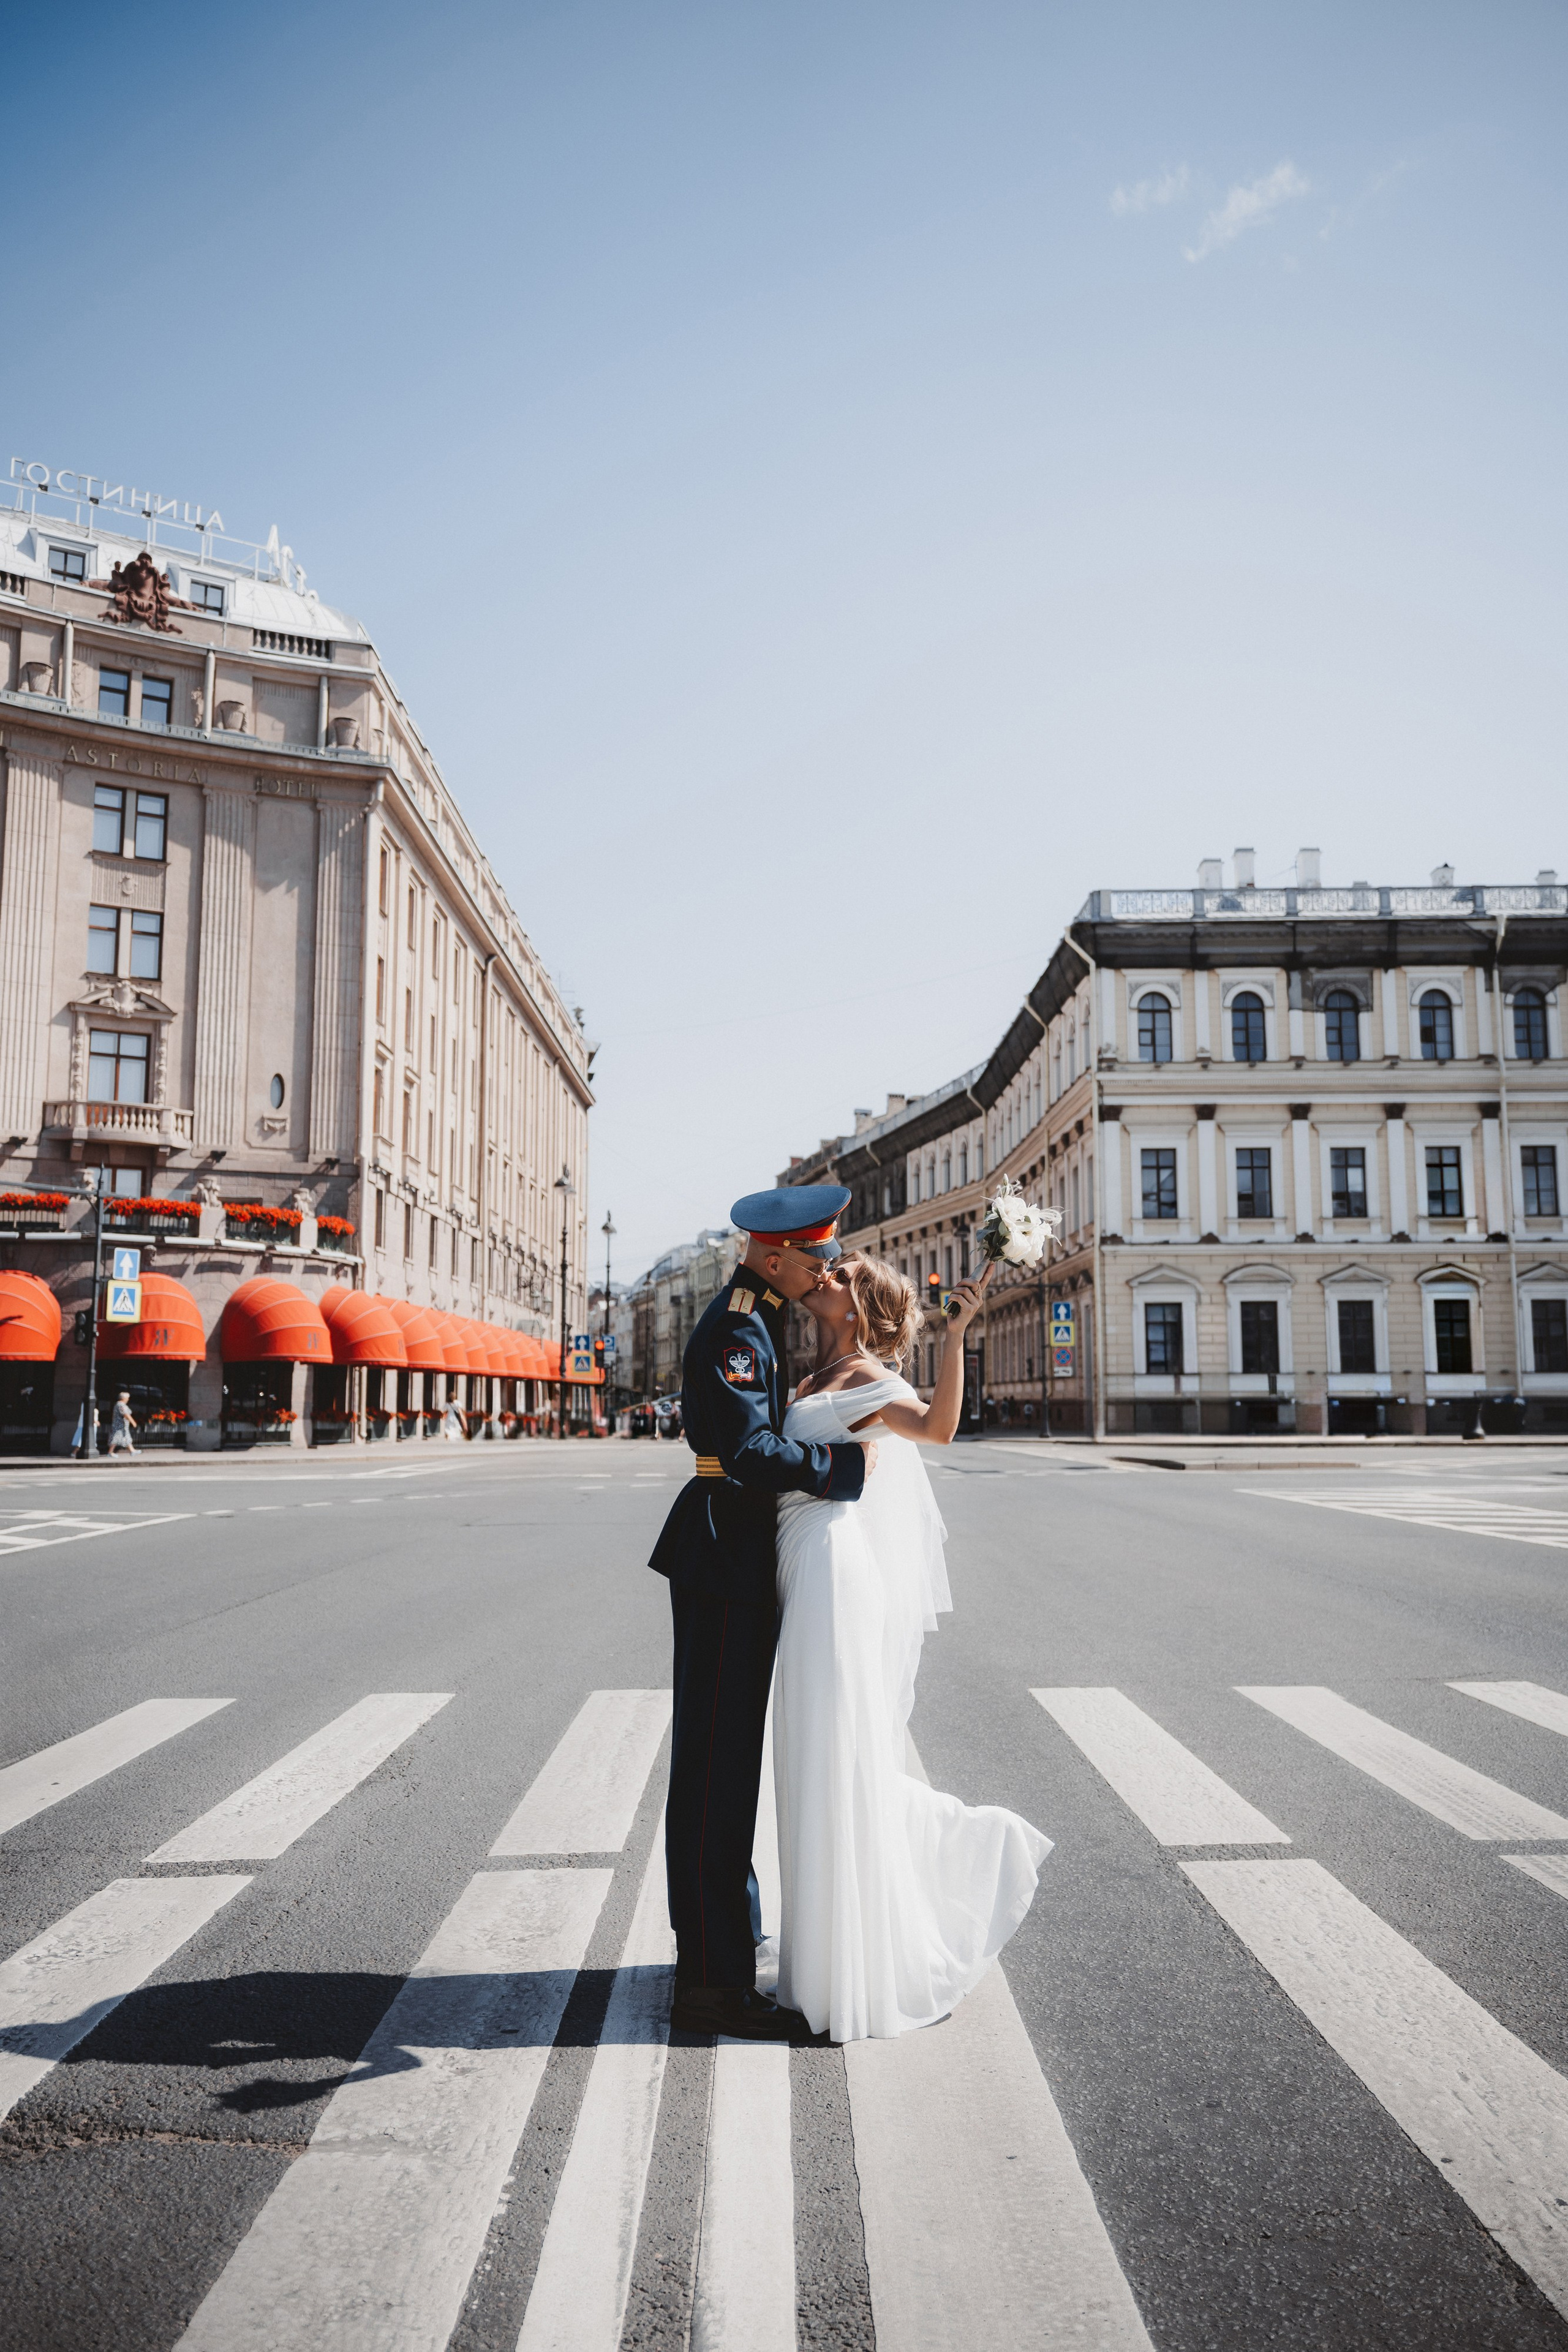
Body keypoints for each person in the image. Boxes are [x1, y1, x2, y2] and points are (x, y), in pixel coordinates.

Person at [772, 1251, 1050, 2041]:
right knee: (810, 1759)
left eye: (843, 1273)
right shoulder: (808, 1378)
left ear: (859, 1306)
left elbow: (938, 1427)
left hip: (833, 1568)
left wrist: (956, 1333)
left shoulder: (868, 1379)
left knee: (838, 1755)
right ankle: (822, 1962)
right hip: (801, 1562)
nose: (826, 1274)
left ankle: (859, 1963)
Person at [649, 1186, 872, 2041]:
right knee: (716, 1770)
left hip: (732, 1551)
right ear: (775, 1257)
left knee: (725, 1764)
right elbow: (746, 1449)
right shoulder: (743, 1323)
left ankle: (721, 1950)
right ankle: (711, 1981)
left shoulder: (758, 1314)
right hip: (723, 1553)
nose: (826, 1271)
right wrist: (843, 1470)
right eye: (816, 1259)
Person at [108, 1390, 138, 1457]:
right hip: (119, 1425)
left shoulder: (120, 1404)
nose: (128, 1399)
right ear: (124, 1398)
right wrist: (133, 1422)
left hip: (122, 1425)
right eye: (127, 1398)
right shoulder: (120, 1404)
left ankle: (132, 1451)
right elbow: (125, 1414)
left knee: (126, 1437)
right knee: (116, 1438)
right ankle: (110, 1452)